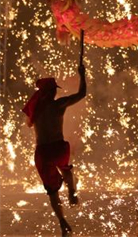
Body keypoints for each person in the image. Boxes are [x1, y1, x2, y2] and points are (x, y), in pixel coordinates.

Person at [22, 64, 86, 236]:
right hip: (58, 147)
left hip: (43, 152)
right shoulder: (59, 105)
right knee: (65, 169)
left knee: (52, 191)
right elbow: (82, 94)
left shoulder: (35, 108)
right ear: (50, 92)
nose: (55, 92)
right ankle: (72, 192)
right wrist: (82, 74)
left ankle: (62, 221)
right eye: (54, 90)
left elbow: (29, 124)